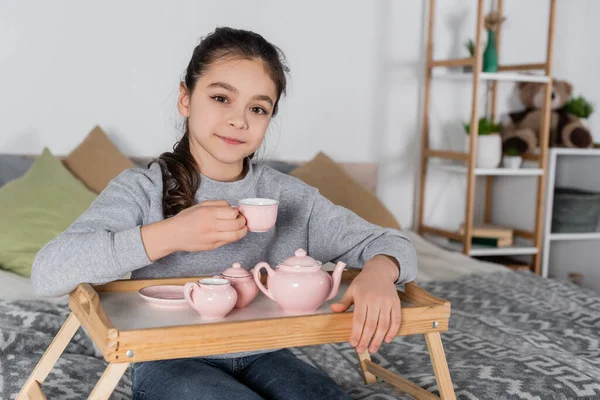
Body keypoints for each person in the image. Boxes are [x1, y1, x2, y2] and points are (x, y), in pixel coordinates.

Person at [31, 26, 417, 400]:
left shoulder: (289, 196)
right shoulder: (141, 190)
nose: (239, 119)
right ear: (186, 98)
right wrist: (167, 236)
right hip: (168, 358)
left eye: (258, 108)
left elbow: (390, 241)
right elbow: (47, 271)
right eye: (221, 98)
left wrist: (381, 272)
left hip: (264, 350)